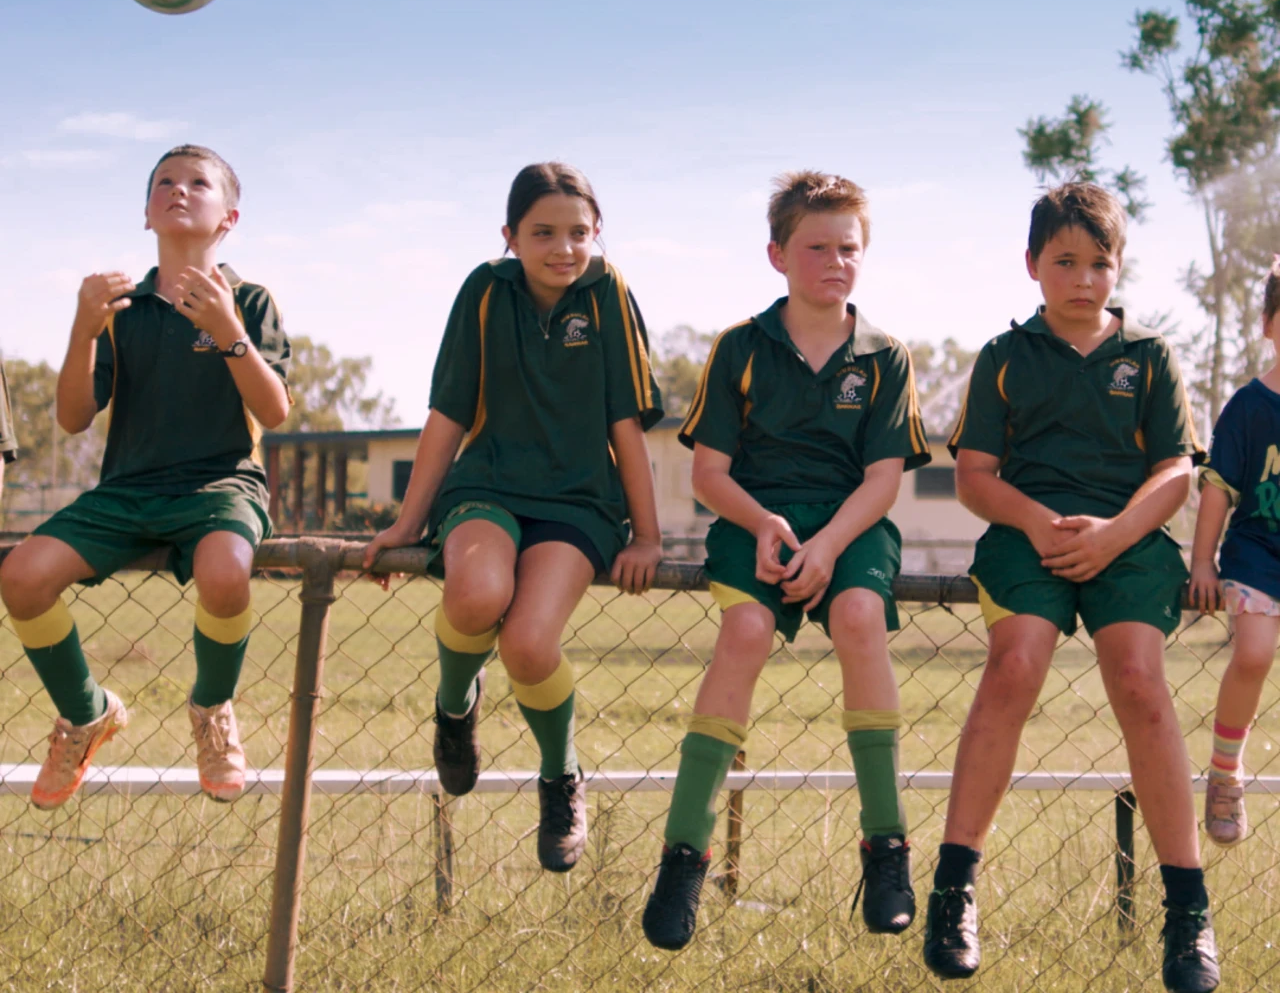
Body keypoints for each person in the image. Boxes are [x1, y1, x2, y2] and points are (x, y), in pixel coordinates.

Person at [923, 182, 1217, 993]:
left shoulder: (1149, 356)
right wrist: (1041, 522)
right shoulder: (1006, 356)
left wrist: (1117, 532)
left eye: (1100, 262)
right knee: (1014, 663)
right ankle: (954, 888)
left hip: (1127, 542)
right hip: (1028, 536)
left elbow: (1176, 470)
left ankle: (1186, 913)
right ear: (1032, 266)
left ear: (1118, 267)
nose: (1084, 278)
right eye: (1065, 261)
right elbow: (975, 478)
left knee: (1139, 684)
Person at [641, 171, 930, 951]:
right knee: (743, 634)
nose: (835, 261)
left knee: (861, 617)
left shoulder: (884, 356)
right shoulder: (740, 347)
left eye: (849, 248)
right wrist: (765, 521)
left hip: (849, 522)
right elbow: (708, 474)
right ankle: (683, 856)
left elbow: (882, 481)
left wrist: (831, 544)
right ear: (777, 255)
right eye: (816, 247)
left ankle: (887, 846)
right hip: (754, 516)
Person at [362, 161, 664, 872]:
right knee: (475, 595)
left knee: (529, 644)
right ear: (510, 237)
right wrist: (408, 522)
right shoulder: (484, 292)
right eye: (543, 233)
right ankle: (454, 705)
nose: (563, 248)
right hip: (489, 485)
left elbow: (626, 423)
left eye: (579, 232)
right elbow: (448, 413)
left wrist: (647, 534)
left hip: (579, 502)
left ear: (598, 235)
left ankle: (560, 775)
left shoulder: (609, 292)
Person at [0, 145, 290, 808]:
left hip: (220, 487)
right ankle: (86, 713)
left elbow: (273, 409)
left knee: (225, 575)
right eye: (164, 182)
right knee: (20, 576)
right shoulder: (120, 306)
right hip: (127, 490)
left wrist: (226, 331)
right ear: (146, 212)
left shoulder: (248, 297)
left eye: (197, 183)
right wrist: (83, 327)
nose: (178, 190)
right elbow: (74, 417)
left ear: (229, 217)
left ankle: (212, 708)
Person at [1189, 257, 1280, 848]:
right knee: (1253, 653)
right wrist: (1202, 562)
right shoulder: (1248, 406)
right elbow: (1219, 489)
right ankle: (1226, 773)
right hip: (1256, 552)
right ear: (1270, 324)